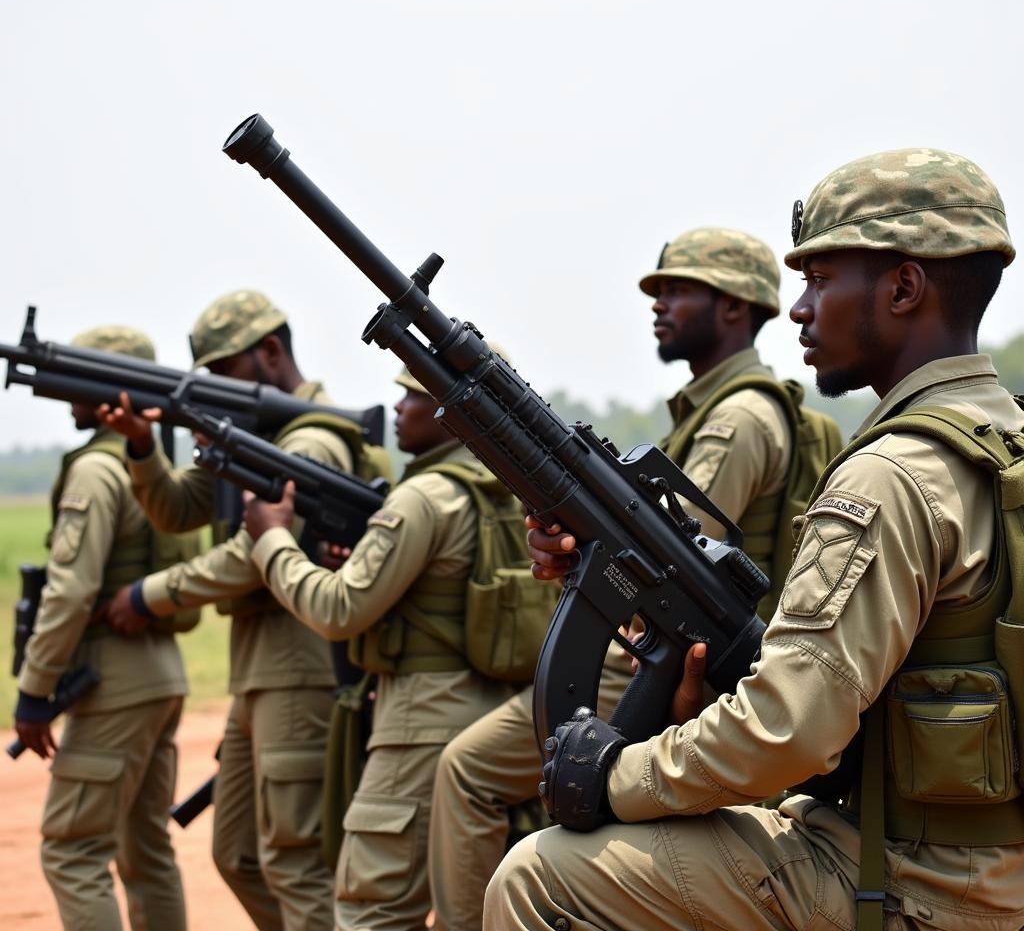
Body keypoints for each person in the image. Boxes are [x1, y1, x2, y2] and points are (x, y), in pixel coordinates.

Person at [486, 148, 1024, 930]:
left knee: (542, 875)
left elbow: (789, 731)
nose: (800, 308)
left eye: (822, 279)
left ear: (905, 287)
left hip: (905, 881)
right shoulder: (1003, 440)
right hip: (990, 870)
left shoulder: (892, 476)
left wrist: (614, 773)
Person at [428, 228, 805, 931]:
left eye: (678, 289)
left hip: (685, 659)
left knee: (471, 773)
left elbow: (681, 568)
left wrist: (597, 553)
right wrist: (575, 549)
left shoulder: (739, 417)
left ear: (736, 307)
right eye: (656, 290)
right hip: (665, 650)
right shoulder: (714, 408)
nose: (657, 303)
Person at [101, 290, 359, 931]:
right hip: (257, 672)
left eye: (224, 371)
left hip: (301, 670)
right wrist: (141, 446)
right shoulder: (250, 437)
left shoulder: (314, 439)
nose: (213, 387)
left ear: (270, 353)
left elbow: (254, 551)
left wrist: (149, 594)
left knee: (296, 857)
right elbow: (180, 509)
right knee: (238, 852)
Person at [240, 363, 521, 931]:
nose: (399, 408)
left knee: (374, 909)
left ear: (454, 411)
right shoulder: (511, 490)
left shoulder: (423, 497)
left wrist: (270, 539)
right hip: (493, 717)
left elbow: (338, 609)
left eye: (414, 397)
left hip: (416, 729)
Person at [13, 326, 191, 930]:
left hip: (111, 679)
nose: (66, 394)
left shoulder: (96, 471)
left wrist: (34, 691)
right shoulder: (150, 464)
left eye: (77, 378)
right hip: (161, 676)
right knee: (146, 852)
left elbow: (69, 590)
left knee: (72, 849)